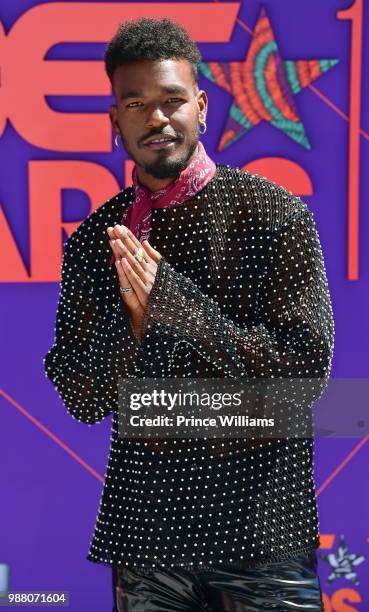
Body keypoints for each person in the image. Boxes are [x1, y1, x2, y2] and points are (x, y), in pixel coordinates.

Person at [43, 17, 334, 611]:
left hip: (263, 531)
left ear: (200, 107)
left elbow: (304, 377)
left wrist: (174, 308)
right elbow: (80, 397)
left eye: (172, 100)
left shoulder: (273, 213)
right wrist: (134, 334)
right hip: (147, 538)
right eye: (136, 103)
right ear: (115, 121)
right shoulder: (97, 238)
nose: (156, 118)